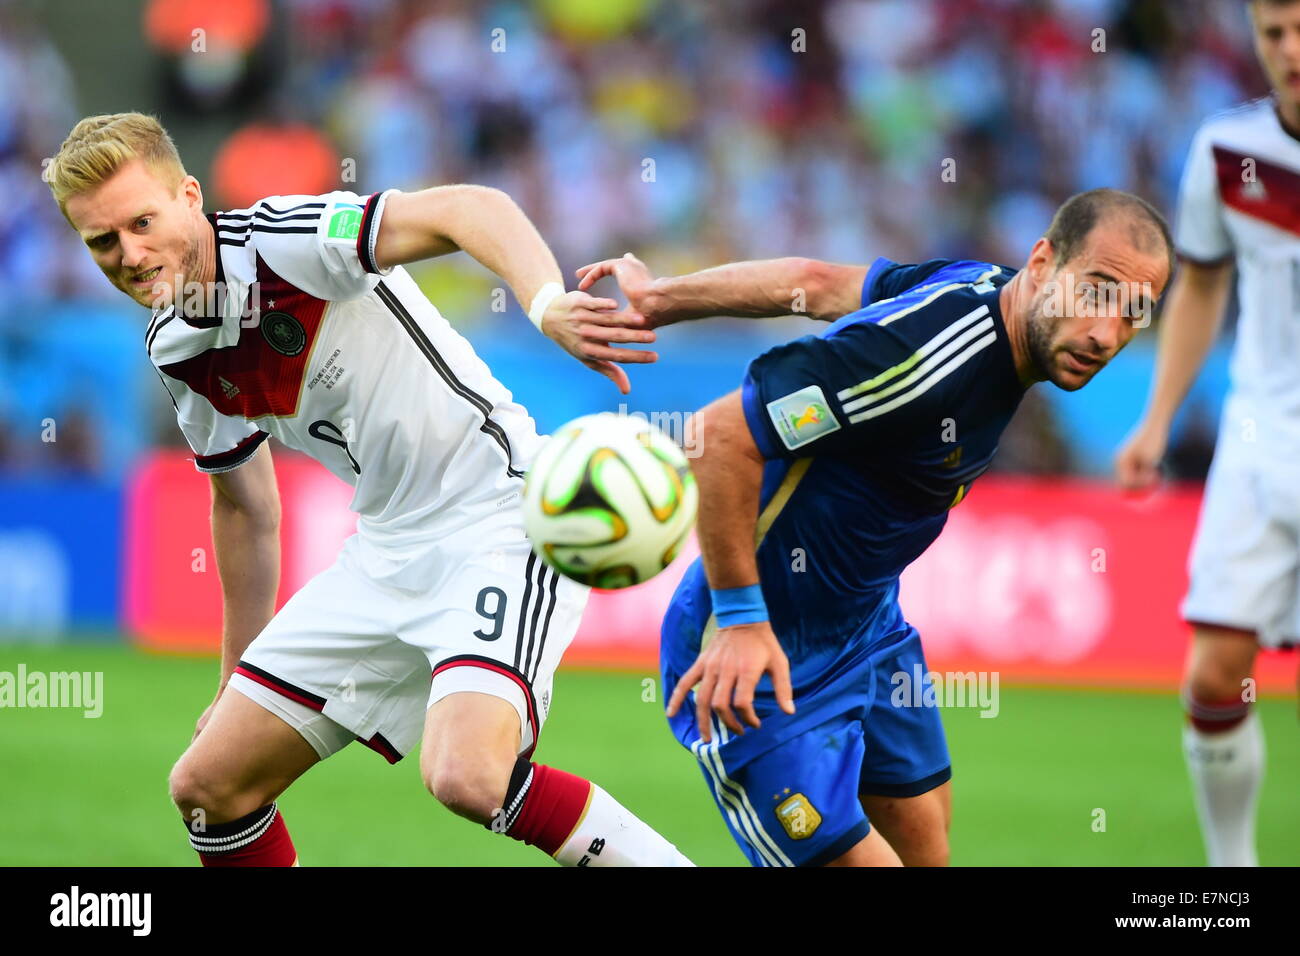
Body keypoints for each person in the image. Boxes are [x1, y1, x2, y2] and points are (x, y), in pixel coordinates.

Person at [48, 111, 692, 866]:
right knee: (209, 786)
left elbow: (471, 208)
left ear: (190, 196)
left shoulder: (286, 241)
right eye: (102, 242)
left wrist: (545, 304)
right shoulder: (177, 347)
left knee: (467, 777)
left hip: (499, 514)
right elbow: (246, 507)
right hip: (383, 551)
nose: (129, 254)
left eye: (141, 222)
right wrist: (233, 678)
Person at [579, 188, 1171, 866]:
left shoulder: (980, 289)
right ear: (1042, 262)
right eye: (1096, 292)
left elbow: (818, 284)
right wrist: (742, 620)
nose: (1106, 333)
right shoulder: (923, 365)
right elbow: (715, 438)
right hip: (755, 656)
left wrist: (662, 298)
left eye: (1133, 314)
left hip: (867, 633)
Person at [1114, 0, 1300, 868]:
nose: (1292, 50)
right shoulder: (1229, 153)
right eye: (1275, 33)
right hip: (1262, 443)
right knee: (1214, 674)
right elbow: (1199, 286)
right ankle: (1235, 880)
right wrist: (1154, 421)